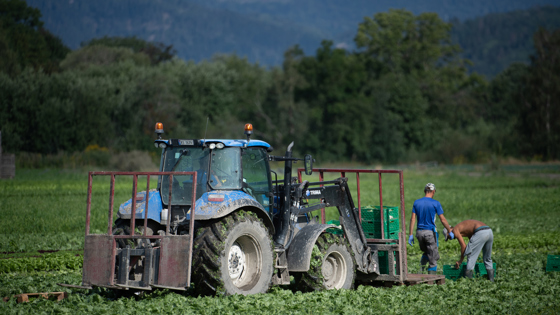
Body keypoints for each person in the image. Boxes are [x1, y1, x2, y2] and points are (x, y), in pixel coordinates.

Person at [408, 183, 453, 274]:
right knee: (433, 257)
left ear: (424, 191)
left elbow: (412, 219)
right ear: (433, 191)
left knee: (426, 251)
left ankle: (420, 271)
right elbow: (443, 220)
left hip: (419, 233)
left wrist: (410, 235)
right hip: (429, 233)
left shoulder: (416, 202)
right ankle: (430, 281)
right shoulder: (435, 203)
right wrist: (449, 230)